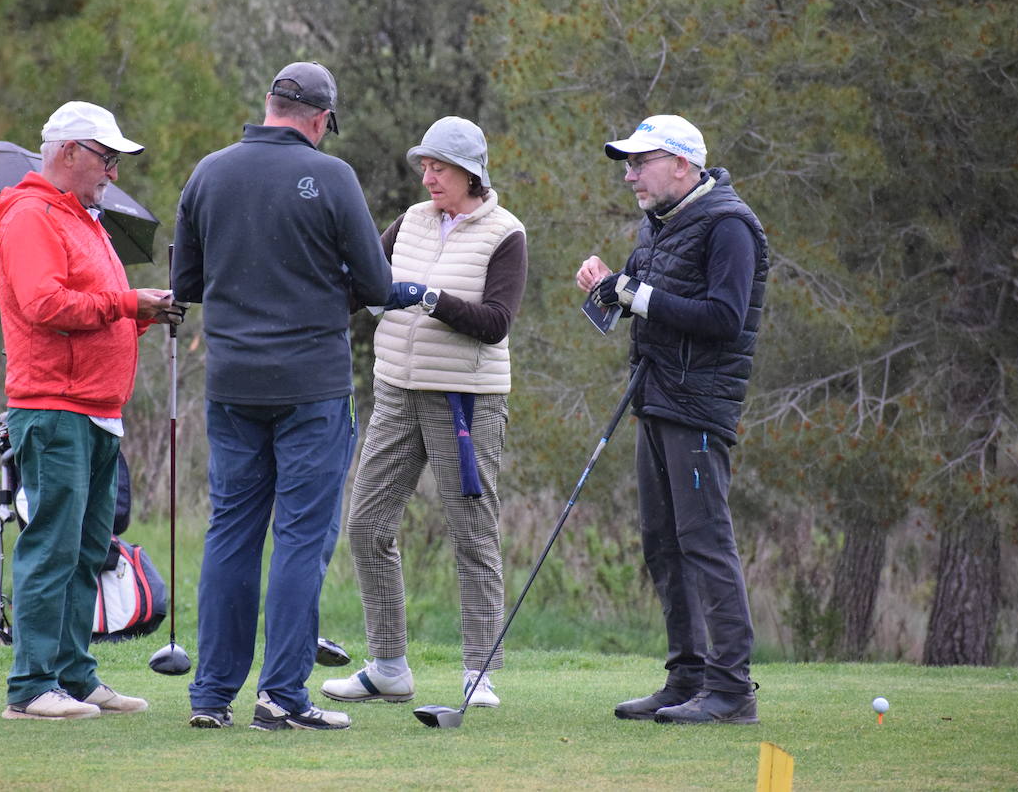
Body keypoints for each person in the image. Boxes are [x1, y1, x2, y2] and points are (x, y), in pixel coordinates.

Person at [172, 62, 391, 731]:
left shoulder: (209, 172)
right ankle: (282, 697)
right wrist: (327, 287)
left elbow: (187, 282)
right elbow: (378, 285)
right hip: (311, 387)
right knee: (299, 538)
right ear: (322, 119)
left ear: (268, 104)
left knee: (231, 533)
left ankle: (211, 696)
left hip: (233, 383)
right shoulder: (332, 176)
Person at [321, 116, 527, 710]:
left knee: (472, 530)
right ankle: (388, 665)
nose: (428, 176)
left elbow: (496, 323)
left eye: (439, 167)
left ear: (471, 172)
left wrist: (431, 300)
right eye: (425, 167)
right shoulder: (410, 221)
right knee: (366, 525)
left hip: (466, 401)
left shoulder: (505, 233)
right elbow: (358, 287)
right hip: (396, 391)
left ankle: (479, 672)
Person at [0, 100, 181, 720]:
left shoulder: (83, 218)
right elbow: (44, 304)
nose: (114, 172)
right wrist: (127, 304)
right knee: (51, 546)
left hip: (96, 410)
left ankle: (72, 676)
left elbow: (96, 311)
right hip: (53, 408)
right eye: (106, 158)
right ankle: (30, 686)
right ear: (69, 152)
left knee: (88, 548)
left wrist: (137, 316)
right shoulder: (31, 215)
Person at [575, 114, 768, 725]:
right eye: (627, 164)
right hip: (655, 397)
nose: (630, 175)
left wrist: (631, 292)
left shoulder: (729, 224)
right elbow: (648, 300)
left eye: (641, 162)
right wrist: (609, 289)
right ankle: (686, 677)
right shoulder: (661, 223)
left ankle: (731, 690)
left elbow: (723, 316)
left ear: (682, 164)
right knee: (662, 544)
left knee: (705, 542)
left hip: (700, 405)